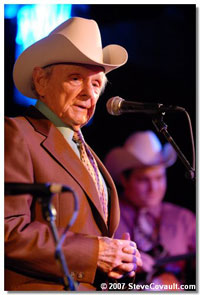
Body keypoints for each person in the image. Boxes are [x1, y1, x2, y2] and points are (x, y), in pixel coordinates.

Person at [5, 17, 142, 291]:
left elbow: (95, 238)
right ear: (41, 82)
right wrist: (96, 253)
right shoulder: (16, 133)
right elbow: (7, 231)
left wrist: (121, 258)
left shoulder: (87, 153)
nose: (88, 94)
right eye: (76, 78)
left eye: (95, 84)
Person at [105, 130, 196, 289]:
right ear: (124, 180)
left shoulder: (184, 218)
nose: (154, 188)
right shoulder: (107, 216)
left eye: (159, 178)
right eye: (143, 180)